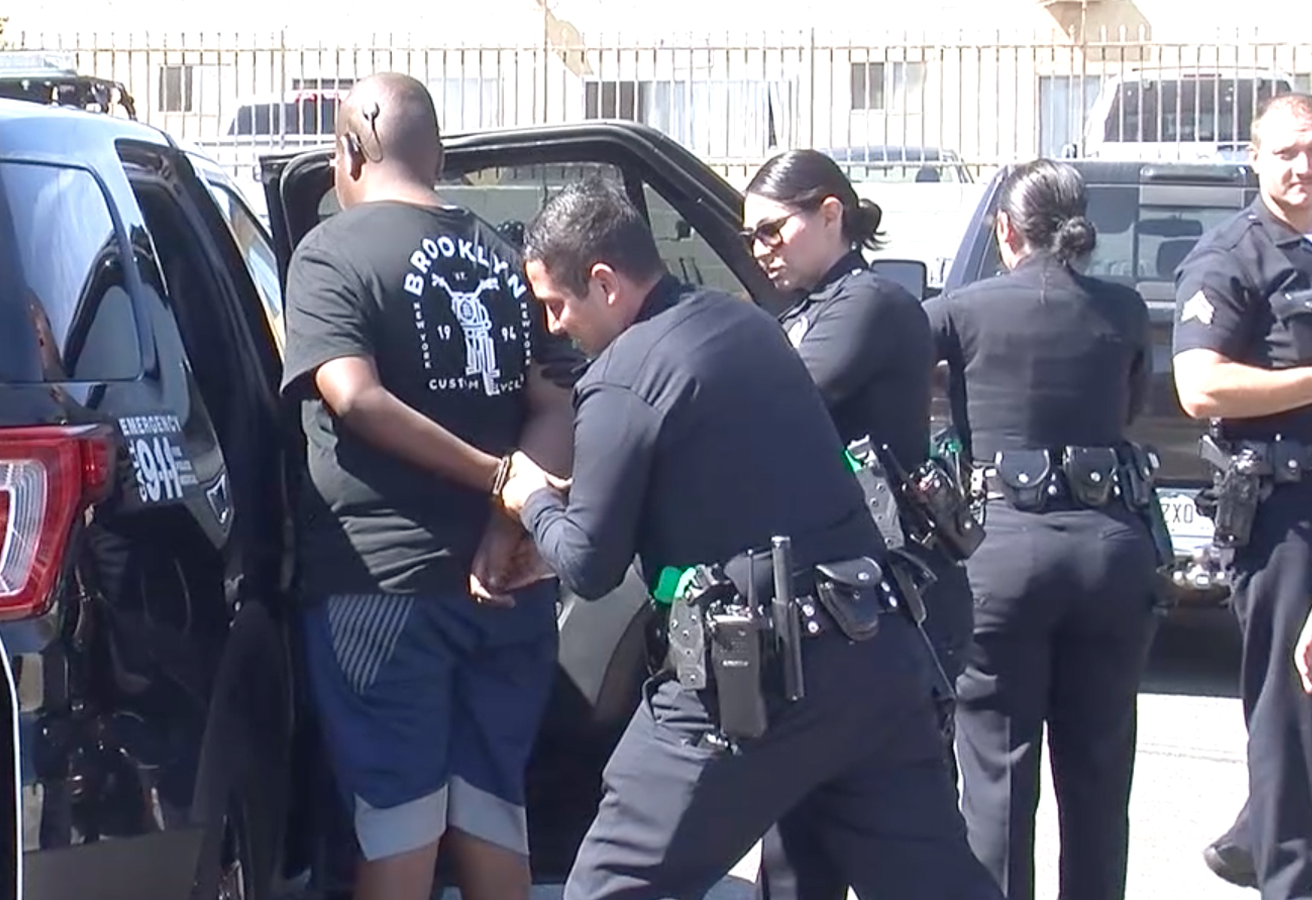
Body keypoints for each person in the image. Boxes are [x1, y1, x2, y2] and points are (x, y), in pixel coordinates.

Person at [493, 177, 1001, 900]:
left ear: (603, 282)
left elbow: (590, 564)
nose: (553, 326)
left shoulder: (621, 379)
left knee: (611, 888)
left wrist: (531, 498)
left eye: (556, 303)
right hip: (876, 658)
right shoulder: (747, 328)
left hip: (754, 675)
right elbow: (723, 477)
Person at [278, 72, 580, 900]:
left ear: (348, 150)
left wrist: (496, 482)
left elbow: (353, 396)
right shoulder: (501, 250)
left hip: (380, 586)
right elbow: (556, 404)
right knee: (492, 805)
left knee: (397, 815)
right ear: (438, 155)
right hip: (506, 587)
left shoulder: (331, 251)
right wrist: (506, 515)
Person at [922, 159, 1163, 900]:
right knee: (1097, 777)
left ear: (1004, 230)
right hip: (1110, 551)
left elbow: (895, 367)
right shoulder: (1123, 309)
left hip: (1002, 552)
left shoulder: (964, 309)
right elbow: (1127, 414)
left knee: (996, 774)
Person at [738, 149, 974, 900]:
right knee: (799, 841)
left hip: (889, 605)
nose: (760, 251)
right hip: (828, 604)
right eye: (750, 239)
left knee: (906, 846)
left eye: (772, 231)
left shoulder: (869, 304)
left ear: (830, 213)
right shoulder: (805, 312)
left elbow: (779, 406)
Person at [1173, 91, 1312, 900]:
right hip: (1283, 512)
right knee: (1292, 710)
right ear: (1255, 159)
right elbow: (1199, 386)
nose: (1303, 167)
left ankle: (1259, 834)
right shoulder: (1230, 256)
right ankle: (1291, 879)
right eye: (1286, 152)